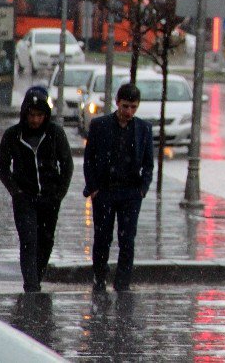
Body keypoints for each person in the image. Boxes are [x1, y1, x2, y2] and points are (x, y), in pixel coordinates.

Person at [0, 87, 74, 292]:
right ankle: (31, 285)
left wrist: (59, 193)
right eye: (32, 115)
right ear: (25, 113)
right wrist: (16, 191)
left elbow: (67, 164)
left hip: (49, 197)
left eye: (40, 115)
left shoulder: (55, 133)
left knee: (46, 240)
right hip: (25, 197)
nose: (35, 120)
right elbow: (2, 165)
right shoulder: (13, 135)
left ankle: (37, 277)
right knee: (28, 239)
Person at [83, 83, 154, 292]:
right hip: (105, 191)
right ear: (117, 103)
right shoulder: (100, 126)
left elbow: (148, 163)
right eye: (125, 107)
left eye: (133, 107)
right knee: (102, 237)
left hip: (131, 192)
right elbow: (89, 160)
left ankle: (122, 283)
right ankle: (99, 278)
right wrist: (94, 189)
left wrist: (142, 188)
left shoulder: (143, 129)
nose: (129, 112)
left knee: (127, 239)